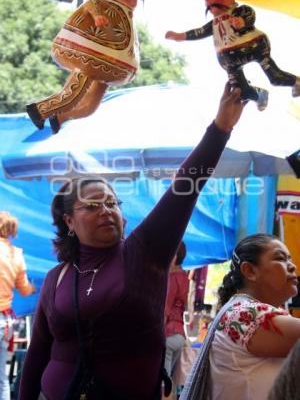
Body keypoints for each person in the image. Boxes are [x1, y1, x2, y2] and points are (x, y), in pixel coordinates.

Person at [18, 82, 245, 400]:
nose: (106, 211)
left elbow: (187, 184)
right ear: (69, 221)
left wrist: (220, 128)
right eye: (92, 206)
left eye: (112, 204)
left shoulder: (144, 253)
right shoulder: (58, 278)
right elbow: (39, 352)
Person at [26, 0, 143, 134]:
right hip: (86, 56)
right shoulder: (98, 4)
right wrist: (97, 16)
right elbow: (91, 5)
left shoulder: (126, 14)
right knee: (74, 93)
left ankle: (61, 117)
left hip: (109, 67)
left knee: (90, 107)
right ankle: (39, 110)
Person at [180, 233, 300, 400]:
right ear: (249, 271)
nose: (292, 266)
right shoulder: (243, 314)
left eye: (290, 259)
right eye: (280, 259)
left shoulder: (237, 311)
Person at [166, 0, 300, 111]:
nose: (210, 0)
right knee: (239, 91)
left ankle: (296, 82)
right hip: (229, 61)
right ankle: (260, 96)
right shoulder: (214, 23)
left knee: (275, 78)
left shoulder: (239, 11)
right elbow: (200, 31)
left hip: (255, 48)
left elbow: (250, 14)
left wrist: (242, 21)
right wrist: (181, 36)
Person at [0, 212, 35, 400]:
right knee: (2, 378)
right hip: (6, 321)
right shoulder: (16, 254)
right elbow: (24, 289)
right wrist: (35, 289)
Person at [164, 241, 189, 399]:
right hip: (179, 335)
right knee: (170, 383)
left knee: (162, 384)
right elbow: (185, 307)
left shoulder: (170, 278)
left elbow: (164, 310)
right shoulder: (184, 277)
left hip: (167, 334)